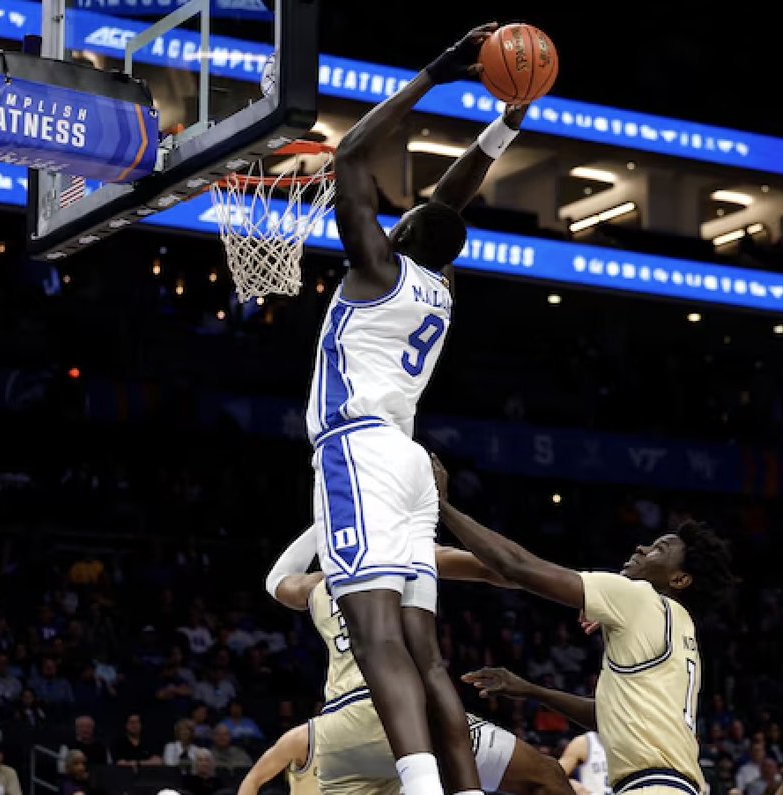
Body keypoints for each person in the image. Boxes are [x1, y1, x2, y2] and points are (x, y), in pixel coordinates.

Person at [303, 20, 528, 795]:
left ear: (397, 235)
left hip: (360, 451)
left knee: (372, 636)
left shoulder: (376, 269)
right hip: (409, 463)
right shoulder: (439, 283)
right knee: (424, 650)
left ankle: (423, 786)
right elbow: (450, 202)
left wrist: (434, 71)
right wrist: (504, 122)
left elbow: (350, 153)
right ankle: (462, 789)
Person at [432, 455, 736, 795]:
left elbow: (517, 566)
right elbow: (612, 716)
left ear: (679, 579)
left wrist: (443, 507)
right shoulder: (682, 627)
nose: (641, 547)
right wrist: (532, 690)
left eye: (657, 550)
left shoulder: (638, 598)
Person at [259, 533, 571, 795]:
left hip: (340, 729)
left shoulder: (320, 582)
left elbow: (276, 580)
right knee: (547, 775)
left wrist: (325, 518)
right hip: (401, 711)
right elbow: (504, 570)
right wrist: (576, 587)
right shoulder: (406, 555)